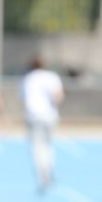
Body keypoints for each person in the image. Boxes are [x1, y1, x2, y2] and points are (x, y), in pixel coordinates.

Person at [19, 56, 64, 193]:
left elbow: (23, 99)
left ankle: (41, 175)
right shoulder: (51, 77)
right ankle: (48, 169)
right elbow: (58, 96)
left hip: (33, 116)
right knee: (48, 144)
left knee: (36, 147)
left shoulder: (27, 79)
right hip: (49, 115)